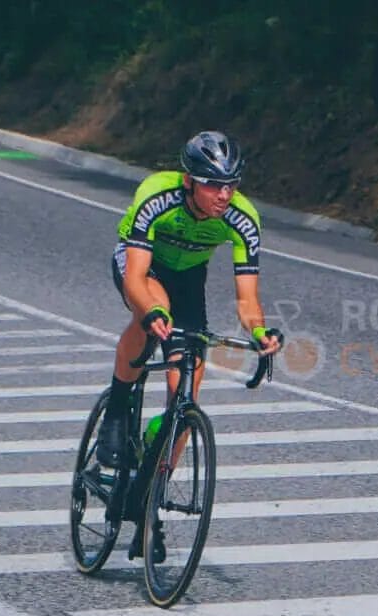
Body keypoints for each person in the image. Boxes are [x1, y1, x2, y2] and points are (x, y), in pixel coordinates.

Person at [95, 130, 282, 560]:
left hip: (188, 280)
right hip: (141, 266)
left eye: (231, 185)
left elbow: (247, 299)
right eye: (213, 185)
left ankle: (149, 499)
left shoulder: (243, 218)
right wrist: (151, 312)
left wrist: (260, 333)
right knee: (151, 315)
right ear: (189, 181)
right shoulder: (156, 195)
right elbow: (135, 278)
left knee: (185, 394)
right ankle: (118, 409)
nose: (224, 194)